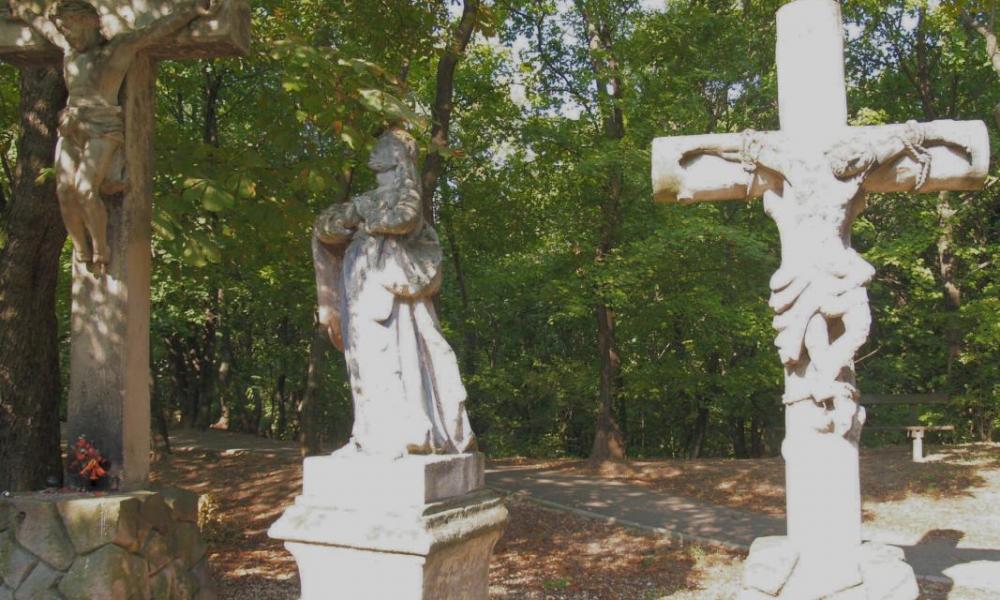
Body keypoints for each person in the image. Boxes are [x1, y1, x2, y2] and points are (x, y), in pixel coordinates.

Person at [10, 0, 216, 272]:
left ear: (90, 22)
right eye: (62, 29)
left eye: (70, 27)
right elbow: (43, 26)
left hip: (103, 127)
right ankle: (81, 248)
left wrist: (193, 9)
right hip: (71, 127)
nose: (66, 34)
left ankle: (101, 248)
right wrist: (21, 10)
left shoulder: (118, 48)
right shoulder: (69, 51)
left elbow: (156, 30)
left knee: (85, 189)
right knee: (64, 191)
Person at [313, 128, 476, 457]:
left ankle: (408, 432)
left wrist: (362, 217)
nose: (375, 151)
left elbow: (403, 219)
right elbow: (323, 227)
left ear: (400, 156)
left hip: (392, 288)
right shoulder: (366, 199)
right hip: (358, 284)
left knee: (397, 357)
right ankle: (368, 435)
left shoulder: (405, 194)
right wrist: (347, 219)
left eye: (384, 146)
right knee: (363, 359)